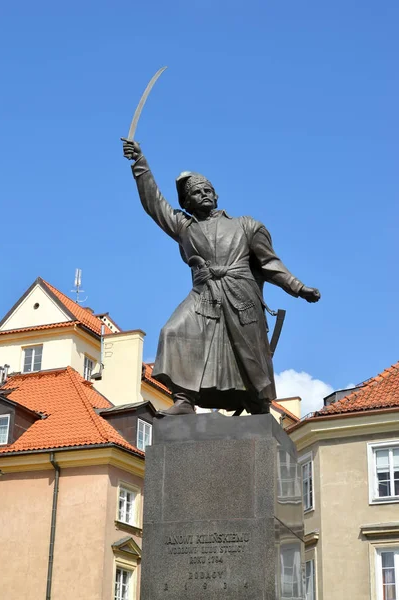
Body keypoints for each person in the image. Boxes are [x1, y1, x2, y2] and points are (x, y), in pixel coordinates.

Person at [122, 139, 321, 416]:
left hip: (240, 293)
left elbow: (269, 263)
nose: (203, 194)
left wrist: (299, 288)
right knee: (173, 331)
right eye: (196, 193)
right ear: (187, 202)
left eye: (208, 190)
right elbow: (155, 204)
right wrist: (140, 165)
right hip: (203, 293)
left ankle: (257, 403)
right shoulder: (184, 226)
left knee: (248, 354)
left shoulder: (247, 225)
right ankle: (184, 399)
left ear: (216, 196)